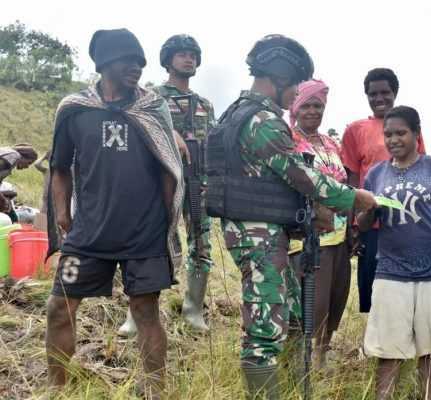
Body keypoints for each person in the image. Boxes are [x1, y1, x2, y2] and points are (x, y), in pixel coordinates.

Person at [215, 34, 376, 399]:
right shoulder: (261, 121)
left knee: (290, 319)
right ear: (280, 76)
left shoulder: (241, 114)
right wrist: (353, 197)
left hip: (266, 234)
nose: (296, 97)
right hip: (258, 237)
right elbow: (302, 176)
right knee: (264, 334)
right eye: (295, 87)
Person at [45, 29, 184, 399]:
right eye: (129, 60)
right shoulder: (75, 110)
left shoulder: (152, 109)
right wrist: (62, 214)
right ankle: (56, 390)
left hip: (144, 235)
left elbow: (169, 169)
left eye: (140, 62)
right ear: (104, 63)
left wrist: (167, 222)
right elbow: (59, 167)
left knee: (146, 311)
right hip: (88, 235)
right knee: (59, 307)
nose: (137, 67)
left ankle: (155, 391)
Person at [358, 106, 431, 400]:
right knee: (388, 349)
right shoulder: (376, 174)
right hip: (390, 271)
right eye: (388, 134)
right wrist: (370, 210)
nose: (393, 140)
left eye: (401, 133)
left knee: (430, 349)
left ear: (417, 134)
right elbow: (363, 224)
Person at [119, 34, 215, 335]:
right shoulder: (151, 97)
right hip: (159, 180)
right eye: (182, 54)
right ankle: (137, 313)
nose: (189, 59)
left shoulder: (204, 105)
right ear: (168, 60)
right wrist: (168, 132)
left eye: (193, 55)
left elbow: (213, 146)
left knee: (201, 244)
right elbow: (134, 129)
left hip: (197, 182)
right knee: (148, 242)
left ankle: (193, 309)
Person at [340, 68, 426, 313]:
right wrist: (352, 225)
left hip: (406, 221)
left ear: (394, 93)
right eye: (373, 94)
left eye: (385, 92)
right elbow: (352, 180)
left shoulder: (412, 128)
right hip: (371, 224)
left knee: (407, 288)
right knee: (374, 291)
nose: (379, 98)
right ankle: (377, 336)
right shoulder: (355, 130)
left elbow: (421, 171)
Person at [287, 79, 351, 369]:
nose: (313, 111)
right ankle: (302, 362)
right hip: (307, 237)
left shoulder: (331, 144)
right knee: (314, 303)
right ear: (295, 108)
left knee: (336, 300)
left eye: (318, 105)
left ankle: (322, 357)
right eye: (306, 105)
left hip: (339, 235)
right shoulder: (289, 140)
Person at [0, 144, 37, 217]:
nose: (27, 166)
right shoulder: (14, 155)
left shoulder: (9, 154)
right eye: (29, 162)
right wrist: (3, 199)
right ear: (24, 156)